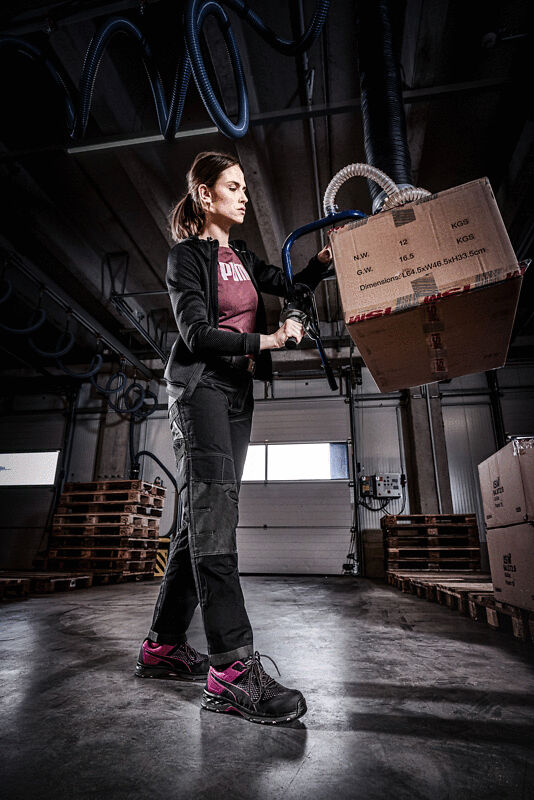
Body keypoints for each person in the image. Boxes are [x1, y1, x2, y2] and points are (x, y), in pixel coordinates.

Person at [135, 151, 332, 724]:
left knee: (202, 520)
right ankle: (229, 670)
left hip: (237, 395)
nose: (244, 196)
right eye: (234, 187)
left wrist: (323, 261)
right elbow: (196, 334)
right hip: (200, 389)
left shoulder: (243, 256)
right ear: (206, 196)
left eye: (245, 186)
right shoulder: (187, 258)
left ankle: (162, 648)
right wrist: (271, 341)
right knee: (215, 515)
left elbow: (289, 282)